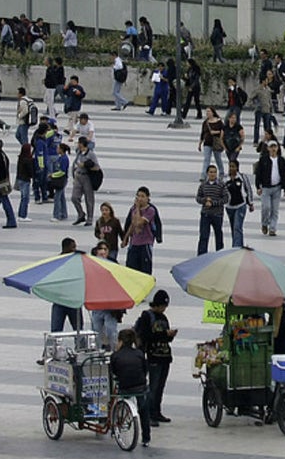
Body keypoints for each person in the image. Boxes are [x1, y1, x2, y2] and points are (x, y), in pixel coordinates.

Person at [134, 289, 177, 424]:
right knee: (153, 387)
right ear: (157, 304)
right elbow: (146, 336)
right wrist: (165, 334)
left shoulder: (163, 318)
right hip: (153, 356)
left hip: (165, 356)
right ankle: (149, 415)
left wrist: (170, 336)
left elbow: (166, 339)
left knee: (160, 387)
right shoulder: (147, 316)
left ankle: (157, 412)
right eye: (163, 306)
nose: (164, 309)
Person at [110, 330, 151, 448]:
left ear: (121, 341)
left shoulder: (115, 356)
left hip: (125, 387)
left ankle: (116, 424)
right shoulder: (139, 353)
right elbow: (145, 370)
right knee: (144, 411)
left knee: (119, 398)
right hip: (140, 387)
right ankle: (146, 438)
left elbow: (114, 372)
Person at [123, 186, 162, 274]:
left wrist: (137, 208)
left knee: (145, 270)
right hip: (134, 243)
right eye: (138, 196)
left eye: (142, 196)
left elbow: (139, 223)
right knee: (131, 268)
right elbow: (132, 224)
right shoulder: (132, 209)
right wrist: (125, 238)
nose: (140, 199)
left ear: (148, 198)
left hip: (145, 243)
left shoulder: (150, 210)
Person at [255, 139, 285, 236]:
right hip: (266, 188)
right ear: (268, 148)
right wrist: (258, 186)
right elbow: (258, 174)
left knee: (275, 209)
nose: (273, 149)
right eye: (271, 147)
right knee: (266, 207)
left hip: (277, 188)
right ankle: (265, 223)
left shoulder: (281, 160)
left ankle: (273, 228)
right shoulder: (263, 160)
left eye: (275, 147)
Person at [222, 159, 254, 248]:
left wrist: (250, 203)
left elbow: (248, 189)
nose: (231, 168)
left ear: (237, 167)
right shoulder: (224, 178)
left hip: (241, 205)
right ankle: (236, 244)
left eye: (233, 166)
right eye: (230, 166)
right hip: (229, 206)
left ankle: (237, 247)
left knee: (237, 227)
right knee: (233, 227)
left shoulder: (242, 177)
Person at [195, 164, 226, 255]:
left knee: (218, 235)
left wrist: (213, 203)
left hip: (217, 214)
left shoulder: (221, 185)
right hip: (205, 214)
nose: (213, 174)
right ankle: (201, 255)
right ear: (207, 173)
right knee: (204, 236)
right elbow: (198, 197)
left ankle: (220, 254)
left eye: (214, 172)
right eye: (211, 172)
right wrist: (204, 201)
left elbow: (226, 198)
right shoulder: (203, 185)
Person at [198, 107, 226, 178]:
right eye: (206, 112)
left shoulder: (219, 122)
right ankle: (204, 175)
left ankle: (221, 172)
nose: (207, 113)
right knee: (206, 159)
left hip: (216, 143)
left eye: (209, 111)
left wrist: (216, 132)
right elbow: (202, 133)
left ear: (213, 112)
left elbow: (223, 131)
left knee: (218, 159)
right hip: (207, 143)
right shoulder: (205, 122)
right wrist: (200, 144)